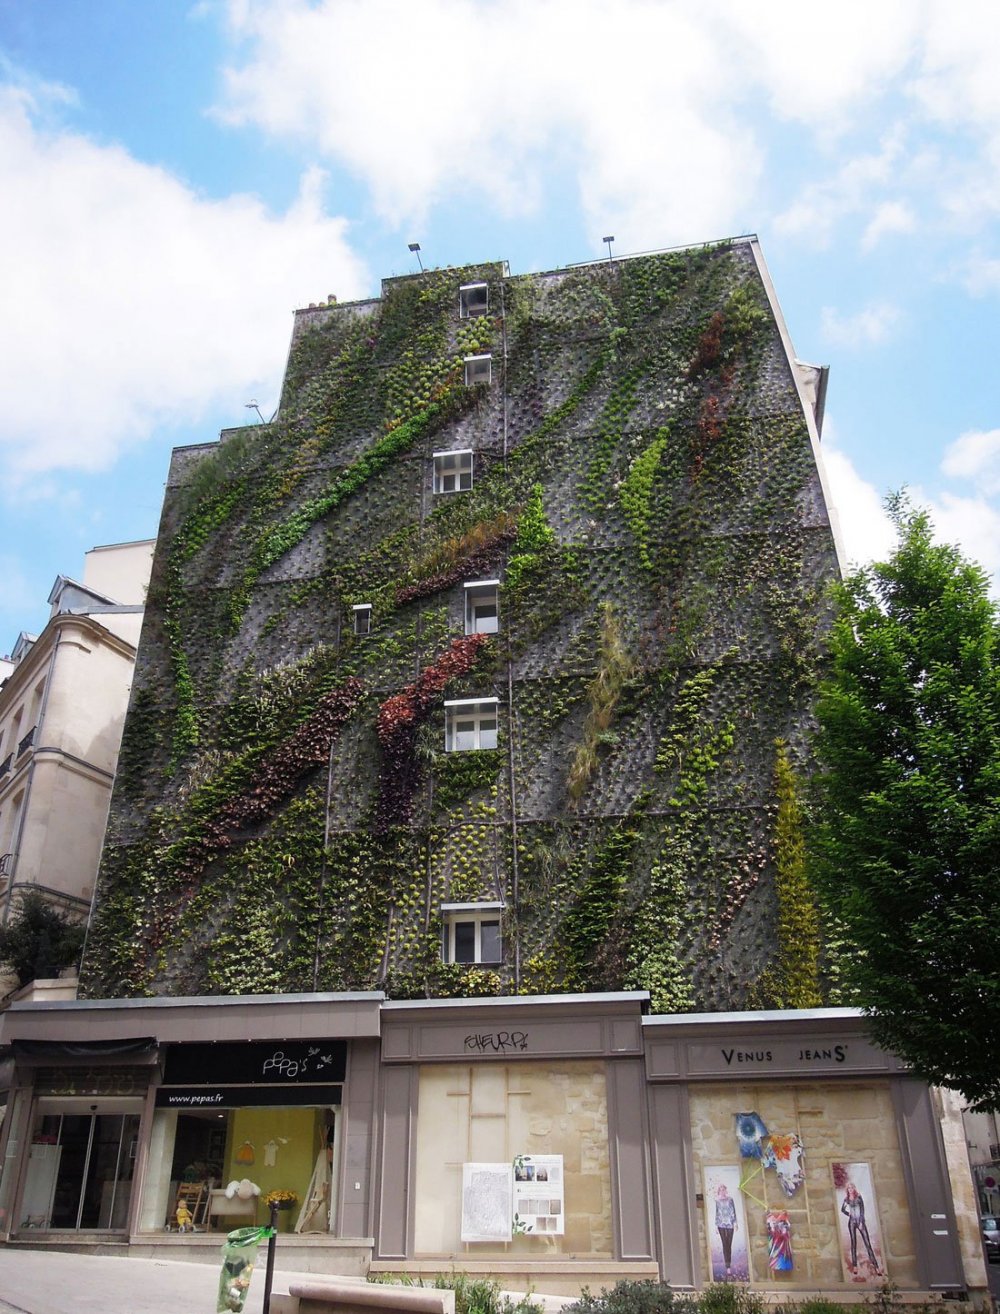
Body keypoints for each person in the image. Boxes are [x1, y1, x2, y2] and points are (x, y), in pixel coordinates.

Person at [841, 1182, 881, 1274]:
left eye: (851, 1187)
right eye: (848, 1188)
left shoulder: (859, 1197)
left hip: (860, 1222)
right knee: (853, 1243)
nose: (850, 1189)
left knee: (867, 1244)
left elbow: (862, 1210)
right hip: (851, 1222)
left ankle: (876, 1266)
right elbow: (842, 1210)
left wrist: (861, 1222)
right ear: (847, 1190)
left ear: (854, 1188)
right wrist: (848, 1213)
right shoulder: (846, 1199)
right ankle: (855, 1266)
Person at [715, 1183, 738, 1276]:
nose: (722, 1191)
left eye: (723, 1189)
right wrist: (716, 1225)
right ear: (719, 1191)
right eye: (721, 1189)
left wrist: (735, 1223)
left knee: (729, 1244)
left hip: (730, 1224)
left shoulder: (730, 1199)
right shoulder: (717, 1200)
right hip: (721, 1224)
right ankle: (727, 1266)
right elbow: (717, 1213)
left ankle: (729, 1263)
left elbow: (733, 1211)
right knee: (724, 1244)